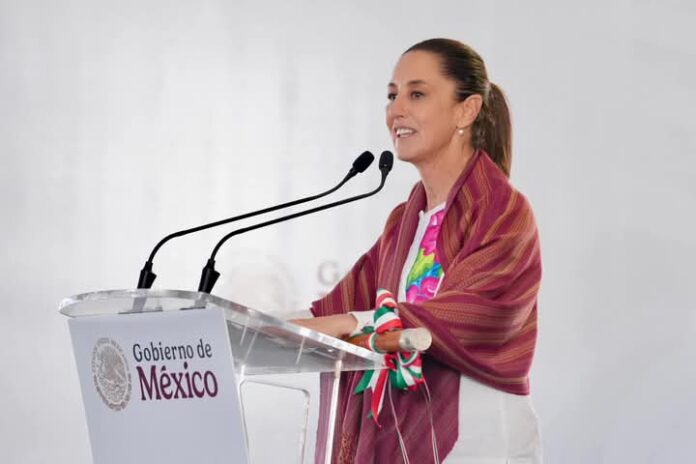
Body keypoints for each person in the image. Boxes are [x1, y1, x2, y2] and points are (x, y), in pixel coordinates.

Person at [292, 38, 542, 464]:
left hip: (479, 439)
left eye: (417, 94)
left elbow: (475, 316)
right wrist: (247, 325)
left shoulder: (504, 211)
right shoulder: (405, 222)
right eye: (392, 95)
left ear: (467, 110)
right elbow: (340, 307)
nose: (396, 110)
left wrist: (350, 323)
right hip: (408, 437)